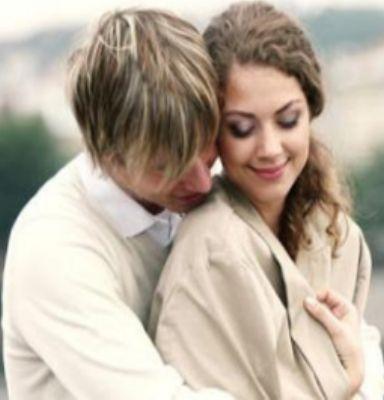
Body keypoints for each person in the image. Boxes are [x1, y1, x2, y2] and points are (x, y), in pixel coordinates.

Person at [149, 2, 384, 399]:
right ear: (213, 132)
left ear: (311, 112)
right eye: (242, 128)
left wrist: (356, 381)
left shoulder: (337, 234)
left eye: (287, 120)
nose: (270, 148)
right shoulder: (210, 253)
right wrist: (350, 383)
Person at [2, 9, 235, 399]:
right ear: (108, 156)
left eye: (207, 144)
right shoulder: (54, 250)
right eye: (167, 166)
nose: (202, 181)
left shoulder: (198, 185)